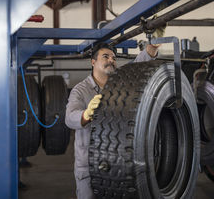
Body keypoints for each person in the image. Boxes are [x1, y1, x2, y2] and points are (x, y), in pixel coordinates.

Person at [65, 28, 164, 199]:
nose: (111, 60)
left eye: (113, 58)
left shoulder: (120, 85)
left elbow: (137, 66)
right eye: (106, 57)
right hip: (89, 165)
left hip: (118, 161)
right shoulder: (80, 90)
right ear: (93, 62)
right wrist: (86, 114)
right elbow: (69, 118)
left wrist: (152, 47)